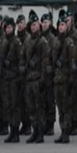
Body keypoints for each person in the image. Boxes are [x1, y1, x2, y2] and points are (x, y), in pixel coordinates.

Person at [21, 11, 51, 144]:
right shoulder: (27, 42)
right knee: (31, 107)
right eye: (31, 25)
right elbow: (22, 58)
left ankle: (40, 132)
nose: (33, 27)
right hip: (29, 78)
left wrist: (43, 79)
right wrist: (23, 68)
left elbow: (45, 62)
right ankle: (34, 130)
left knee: (39, 107)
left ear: (38, 25)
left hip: (38, 78)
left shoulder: (43, 42)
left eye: (35, 24)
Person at [52, 14, 76, 144]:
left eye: (62, 25)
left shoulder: (69, 42)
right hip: (57, 79)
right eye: (59, 25)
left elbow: (72, 62)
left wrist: (71, 79)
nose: (60, 27)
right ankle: (62, 130)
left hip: (66, 79)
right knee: (60, 107)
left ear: (66, 27)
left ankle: (67, 131)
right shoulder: (56, 41)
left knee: (66, 107)